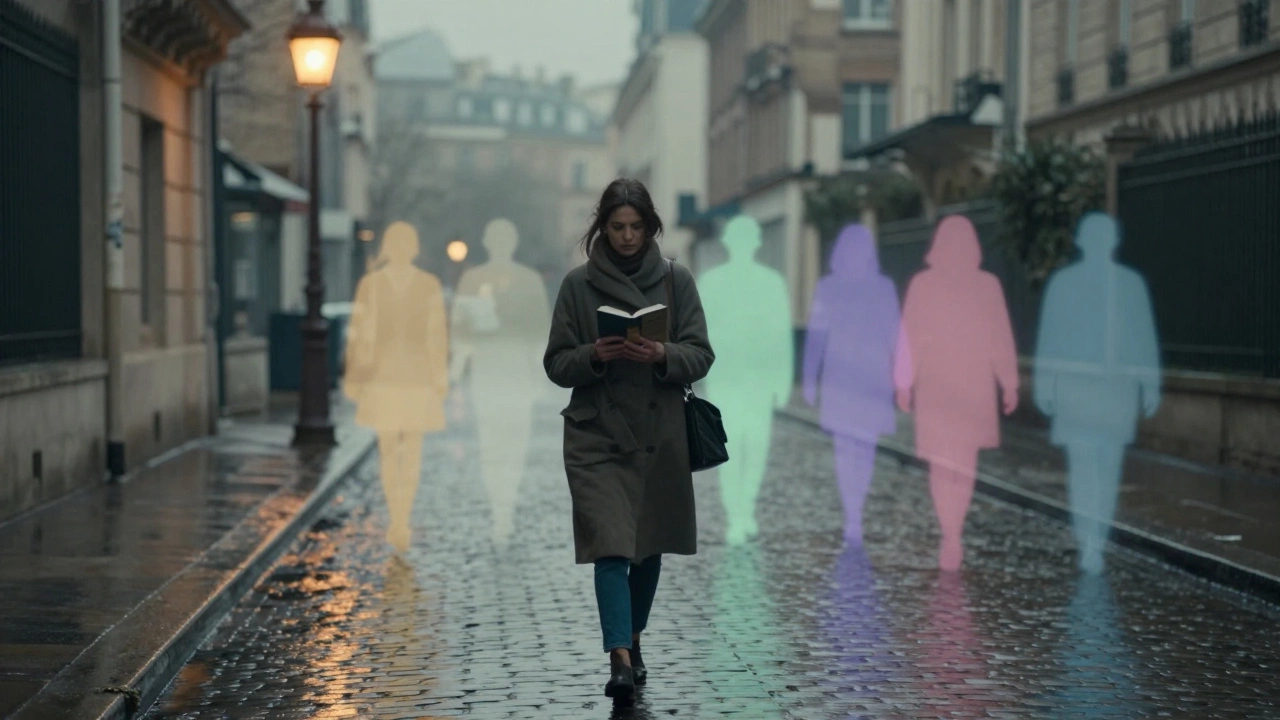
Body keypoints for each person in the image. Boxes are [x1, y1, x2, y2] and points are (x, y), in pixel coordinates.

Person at [543, 178, 714, 703]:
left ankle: (634, 638)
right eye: (617, 227)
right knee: (612, 548)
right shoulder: (577, 285)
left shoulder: (676, 280)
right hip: (598, 434)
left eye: (636, 226)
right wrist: (594, 355)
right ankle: (619, 657)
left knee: (648, 547)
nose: (626, 236)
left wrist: (662, 355)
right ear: (602, 227)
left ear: (650, 227)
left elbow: (701, 354)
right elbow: (556, 364)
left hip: (659, 435)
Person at [1034, 212, 1160, 574]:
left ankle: (1096, 539)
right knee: (1084, 465)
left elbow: (1143, 335)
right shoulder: (1065, 285)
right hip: (1078, 387)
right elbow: (1050, 337)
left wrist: (1149, 382)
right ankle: (1088, 538)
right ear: (1082, 243)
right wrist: (1045, 383)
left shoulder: (1129, 285)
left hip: (1114, 389)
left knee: (1106, 467)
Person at [894, 215, 1018, 571]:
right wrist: (1008, 381)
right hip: (971, 384)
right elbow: (999, 337)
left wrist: (904, 381)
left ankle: (950, 532)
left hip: (938, 384)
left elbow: (910, 337)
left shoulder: (924, 284)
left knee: (942, 462)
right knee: (963, 462)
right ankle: (953, 531)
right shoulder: (985, 285)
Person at [342, 221, 449, 554]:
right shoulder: (371, 284)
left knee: (412, 450)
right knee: (389, 449)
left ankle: (403, 515)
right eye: (396, 243)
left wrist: (439, 375)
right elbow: (358, 331)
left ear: (413, 248)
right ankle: (396, 516)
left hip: (416, 377)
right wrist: (354, 375)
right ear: (389, 248)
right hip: (383, 376)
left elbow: (437, 334)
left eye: (406, 243)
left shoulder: (428, 284)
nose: (401, 250)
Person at [803, 223, 907, 546]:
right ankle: (852, 513)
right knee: (845, 448)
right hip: (840, 381)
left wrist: (903, 377)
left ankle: (856, 507)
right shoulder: (828, 288)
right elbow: (816, 335)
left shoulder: (883, 288)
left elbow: (896, 334)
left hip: (872, 382)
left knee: (865, 448)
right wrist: (809, 378)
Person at [451, 218, 551, 548]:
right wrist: (458, 366)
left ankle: (506, 502)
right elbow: (459, 327)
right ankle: (499, 507)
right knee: (491, 441)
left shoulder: (529, 280)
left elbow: (540, 330)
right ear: (487, 242)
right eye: (495, 239)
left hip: (517, 369)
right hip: (487, 368)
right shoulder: (472, 279)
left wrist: (538, 373)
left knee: (515, 442)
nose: (500, 245)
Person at [696, 215, 793, 546]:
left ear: (755, 245)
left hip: (760, 376)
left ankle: (747, 505)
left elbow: (781, 335)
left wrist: (782, 380)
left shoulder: (771, 283)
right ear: (729, 245)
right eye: (737, 242)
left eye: (747, 242)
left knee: (757, 444)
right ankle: (735, 514)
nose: (742, 248)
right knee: (731, 445)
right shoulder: (713, 282)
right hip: (727, 375)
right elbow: (702, 330)